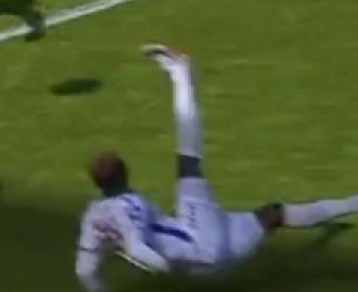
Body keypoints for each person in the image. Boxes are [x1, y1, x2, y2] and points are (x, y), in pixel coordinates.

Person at [75, 45, 358, 291]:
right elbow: (138, 247)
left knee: (274, 214)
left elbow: (85, 272)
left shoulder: (93, 218)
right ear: (125, 172)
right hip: (202, 239)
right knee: (189, 162)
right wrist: (161, 266)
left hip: (212, 261)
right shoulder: (130, 205)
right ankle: (181, 73)